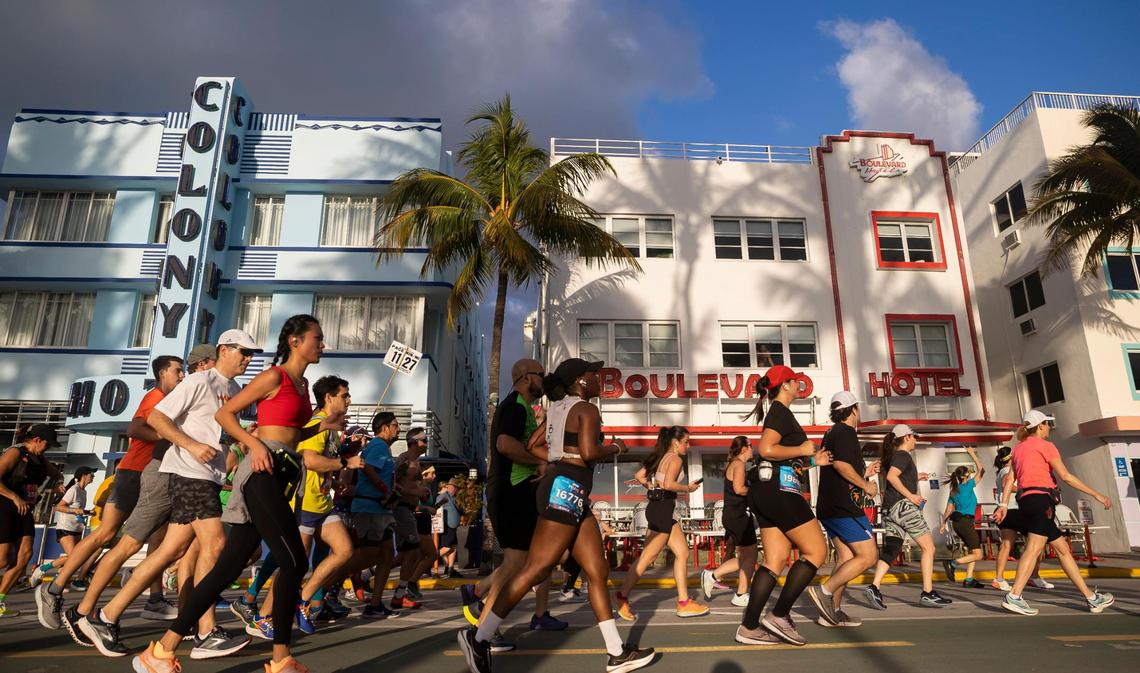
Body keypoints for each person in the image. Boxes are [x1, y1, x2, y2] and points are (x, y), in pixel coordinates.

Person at [131, 316, 347, 673]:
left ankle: (161, 651)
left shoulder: (302, 382)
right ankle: (281, 660)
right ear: (294, 340)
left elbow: (291, 433)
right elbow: (224, 414)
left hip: (284, 473)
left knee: (224, 570)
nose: (322, 344)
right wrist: (252, 444)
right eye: (317, 338)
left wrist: (321, 425)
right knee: (293, 561)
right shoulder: (273, 376)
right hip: (261, 472)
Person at [457, 358, 655, 673]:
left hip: (567, 488)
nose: (597, 378)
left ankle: (617, 653)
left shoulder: (557, 409)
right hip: (566, 487)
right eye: (593, 374)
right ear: (580, 380)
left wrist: (557, 458)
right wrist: (616, 448)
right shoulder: (587, 410)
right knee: (536, 568)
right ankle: (478, 638)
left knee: (596, 570)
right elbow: (590, 453)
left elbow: (534, 444)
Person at [78, 338, 254, 659]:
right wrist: (191, 446)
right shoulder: (200, 380)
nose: (248, 358)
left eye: (252, 353)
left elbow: (217, 434)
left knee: (171, 551)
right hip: (189, 474)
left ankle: (105, 617)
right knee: (214, 546)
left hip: (208, 478)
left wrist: (244, 439)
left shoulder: (232, 389)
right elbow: (157, 418)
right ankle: (205, 631)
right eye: (243, 351)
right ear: (224, 351)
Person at [36, 357, 185, 633]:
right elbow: (135, 429)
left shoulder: (171, 399)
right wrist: (171, 436)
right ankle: (54, 589)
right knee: (106, 534)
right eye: (178, 370)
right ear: (163, 373)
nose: (182, 375)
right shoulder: (156, 396)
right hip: (134, 472)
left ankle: (154, 599)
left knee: (157, 536)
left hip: (155, 475)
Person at [461, 357, 565, 642]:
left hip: (514, 492)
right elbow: (505, 445)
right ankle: (483, 630)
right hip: (510, 490)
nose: (544, 379)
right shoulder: (515, 406)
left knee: (519, 562)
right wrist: (539, 463)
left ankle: (483, 617)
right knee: (516, 563)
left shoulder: (524, 408)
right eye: (540, 374)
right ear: (525, 378)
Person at [733, 365, 832, 647]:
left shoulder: (777, 412)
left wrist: (813, 461)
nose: (800, 384)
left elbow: (779, 457)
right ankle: (779, 615)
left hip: (765, 489)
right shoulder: (780, 412)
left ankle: (749, 627)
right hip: (780, 489)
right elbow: (766, 449)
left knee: (775, 560)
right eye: (796, 380)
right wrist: (802, 449)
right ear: (786, 385)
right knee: (816, 551)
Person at [995, 410, 1114, 616]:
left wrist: (1003, 505)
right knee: (1033, 549)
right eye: (1047, 424)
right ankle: (1014, 596)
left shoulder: (1019, 449)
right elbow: (1066, 476)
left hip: (1026, 501)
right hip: (1042, 502)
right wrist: (1098, 495)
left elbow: (1008, 481)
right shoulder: (1046, 446)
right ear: (1040, 426)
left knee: (1063, 550)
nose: (1049, 427)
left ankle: (1091, 598)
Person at [617, 425, 709, 620]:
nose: (688, 445)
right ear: (676, 443)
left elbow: (639, 475)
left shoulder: (661, 457)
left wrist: (651, 486)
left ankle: (684, 602)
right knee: (647, 559)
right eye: (686, 442)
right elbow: (668, 485)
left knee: (682, 552)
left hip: (659, 509)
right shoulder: (674, 458)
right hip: (663, 511)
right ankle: (621, 597)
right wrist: (687, 488)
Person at [808, 391, 881, 627]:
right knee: (869, 555)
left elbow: (838, 465)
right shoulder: (847, 432)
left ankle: (832, 612)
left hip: (829, 505)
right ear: (854, 410)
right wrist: (867, 486)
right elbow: (840, 464)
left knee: (847, 557)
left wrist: (863, 474)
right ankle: (824, 591)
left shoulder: (830, 434)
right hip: (843, 506)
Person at [864, 424, 951, 610]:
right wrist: (912, 496)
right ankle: (928, 593)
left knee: (892, 549)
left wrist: (915, 477)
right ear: (906, 438)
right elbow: (892, 477)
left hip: (889, 509)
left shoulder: (894, 456)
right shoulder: (903, 455)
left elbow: (896, 477)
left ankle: (874, 587)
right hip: (903, 507)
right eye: (914, 437)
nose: (916, 440)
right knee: (929, 548)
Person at [0, 424, 63, 617]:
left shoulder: (41, 459)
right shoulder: (15, 452)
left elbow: (57, 474)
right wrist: (14, 497)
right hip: (5, 506)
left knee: (25, 556)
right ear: (36, 440)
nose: (48, 448)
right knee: (2, 560)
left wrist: (59, 485)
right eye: (46, 444)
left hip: (25, 510)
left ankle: (0, 600)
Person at [701, 435, 757, 608]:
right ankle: (713, 576)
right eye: (751, 445)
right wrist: (757, 491)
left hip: (733, 515)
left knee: (747, 557)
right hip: (737, 515)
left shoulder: (734, 464)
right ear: (744, 449)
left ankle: (740, 593)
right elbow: (739, 489)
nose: (753, 448)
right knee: (750, 556)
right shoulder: (739, 464)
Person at [990, 447, 1052, 592]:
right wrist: (1026, 489)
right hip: (1014, 510)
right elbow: (1007, 484)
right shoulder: (1007, 471)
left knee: (1006, 545)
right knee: (1037, 543)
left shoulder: (1001, 471)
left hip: (1004, 511)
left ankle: (999, 578)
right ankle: (1034, 576)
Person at [33, 466, 97, 586]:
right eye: (91, 474)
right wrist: (76, 511)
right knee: (75, 558)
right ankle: (43, 568)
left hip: (77, 529)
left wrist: (88, 512)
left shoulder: (84, 491)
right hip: (65, 528)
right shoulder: (74, 489)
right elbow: (59, 507)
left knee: (74, 559)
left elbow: (77, 510)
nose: (93, 476)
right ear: (84, 476)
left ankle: (55, 583)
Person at [940, 446, 985, 588]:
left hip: (957, 524)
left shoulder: (954, 490)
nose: (971, 475)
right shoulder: (969, 485)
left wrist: (943, 524)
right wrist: (972, 453)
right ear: (966, 476)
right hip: (965, 522)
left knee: (972, 549)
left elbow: (948, 509)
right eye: (969, 473)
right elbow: (981, 470)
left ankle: (969, 578)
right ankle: (952, 563)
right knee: (978, 554)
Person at [436, 480, 463, 577]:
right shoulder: (444, 496)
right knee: (447, 547)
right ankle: (429, 559)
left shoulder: (453, 497)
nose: (453, 489)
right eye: (452, 486)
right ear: (448, 486)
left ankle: (450, 569)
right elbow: (436, 506)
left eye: (455, 487)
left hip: (452, 526)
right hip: (447, 526)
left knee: (453, 547)